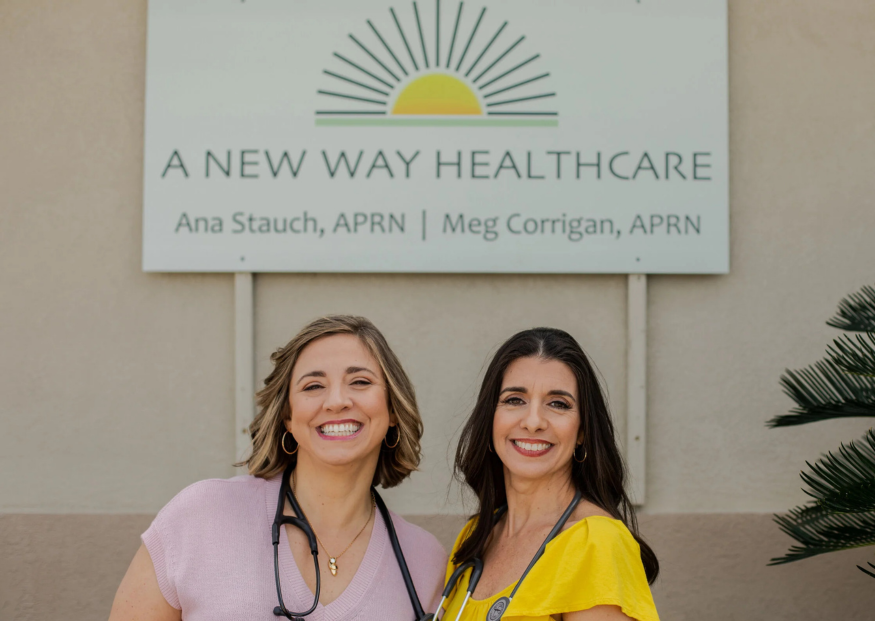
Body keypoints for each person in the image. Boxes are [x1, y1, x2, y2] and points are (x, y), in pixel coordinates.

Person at [109, 315, 447, 621]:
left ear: (391, 410)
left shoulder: (424, 559)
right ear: (287, 417)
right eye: (313, 386)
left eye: (360, 382)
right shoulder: (202, 515)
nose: (337, 401)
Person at [440, 328, 659, 621]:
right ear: (491, 419)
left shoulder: (596, 543)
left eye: (558, 404)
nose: (533, 422)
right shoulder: (476, 537)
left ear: (582, 431)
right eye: (515, 400)